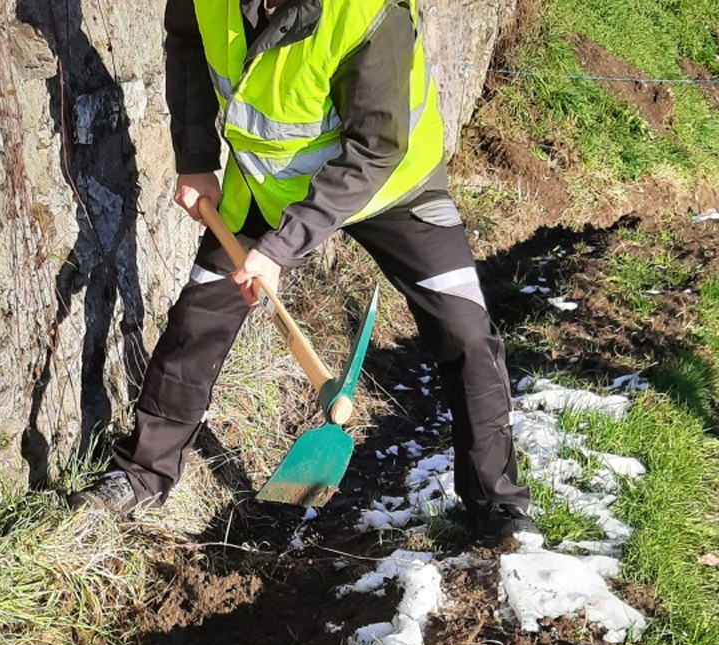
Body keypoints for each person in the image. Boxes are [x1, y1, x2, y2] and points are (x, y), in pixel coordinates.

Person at [69, 0, 540, 545]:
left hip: (392, 188)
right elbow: (187, 38)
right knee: (201, 316)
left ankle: (498, 509)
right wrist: (194, 157)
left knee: (465, 332)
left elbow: (378, 147)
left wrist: (281, 248)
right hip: (270, 187)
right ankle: (141, 473)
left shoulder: (367, 11)